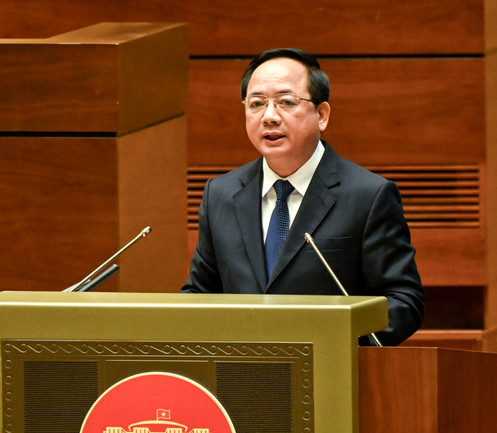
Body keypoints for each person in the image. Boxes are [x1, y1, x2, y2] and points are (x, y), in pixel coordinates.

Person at [181, 48, 424, 346]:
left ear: (321, 115)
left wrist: (332, 341)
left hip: (329, 367)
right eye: (256, 104)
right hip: (240, 370)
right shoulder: (220, 194)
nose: (269, 117)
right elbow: (200, 295)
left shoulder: (368, 195)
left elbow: (403, 302)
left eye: (286, 102)